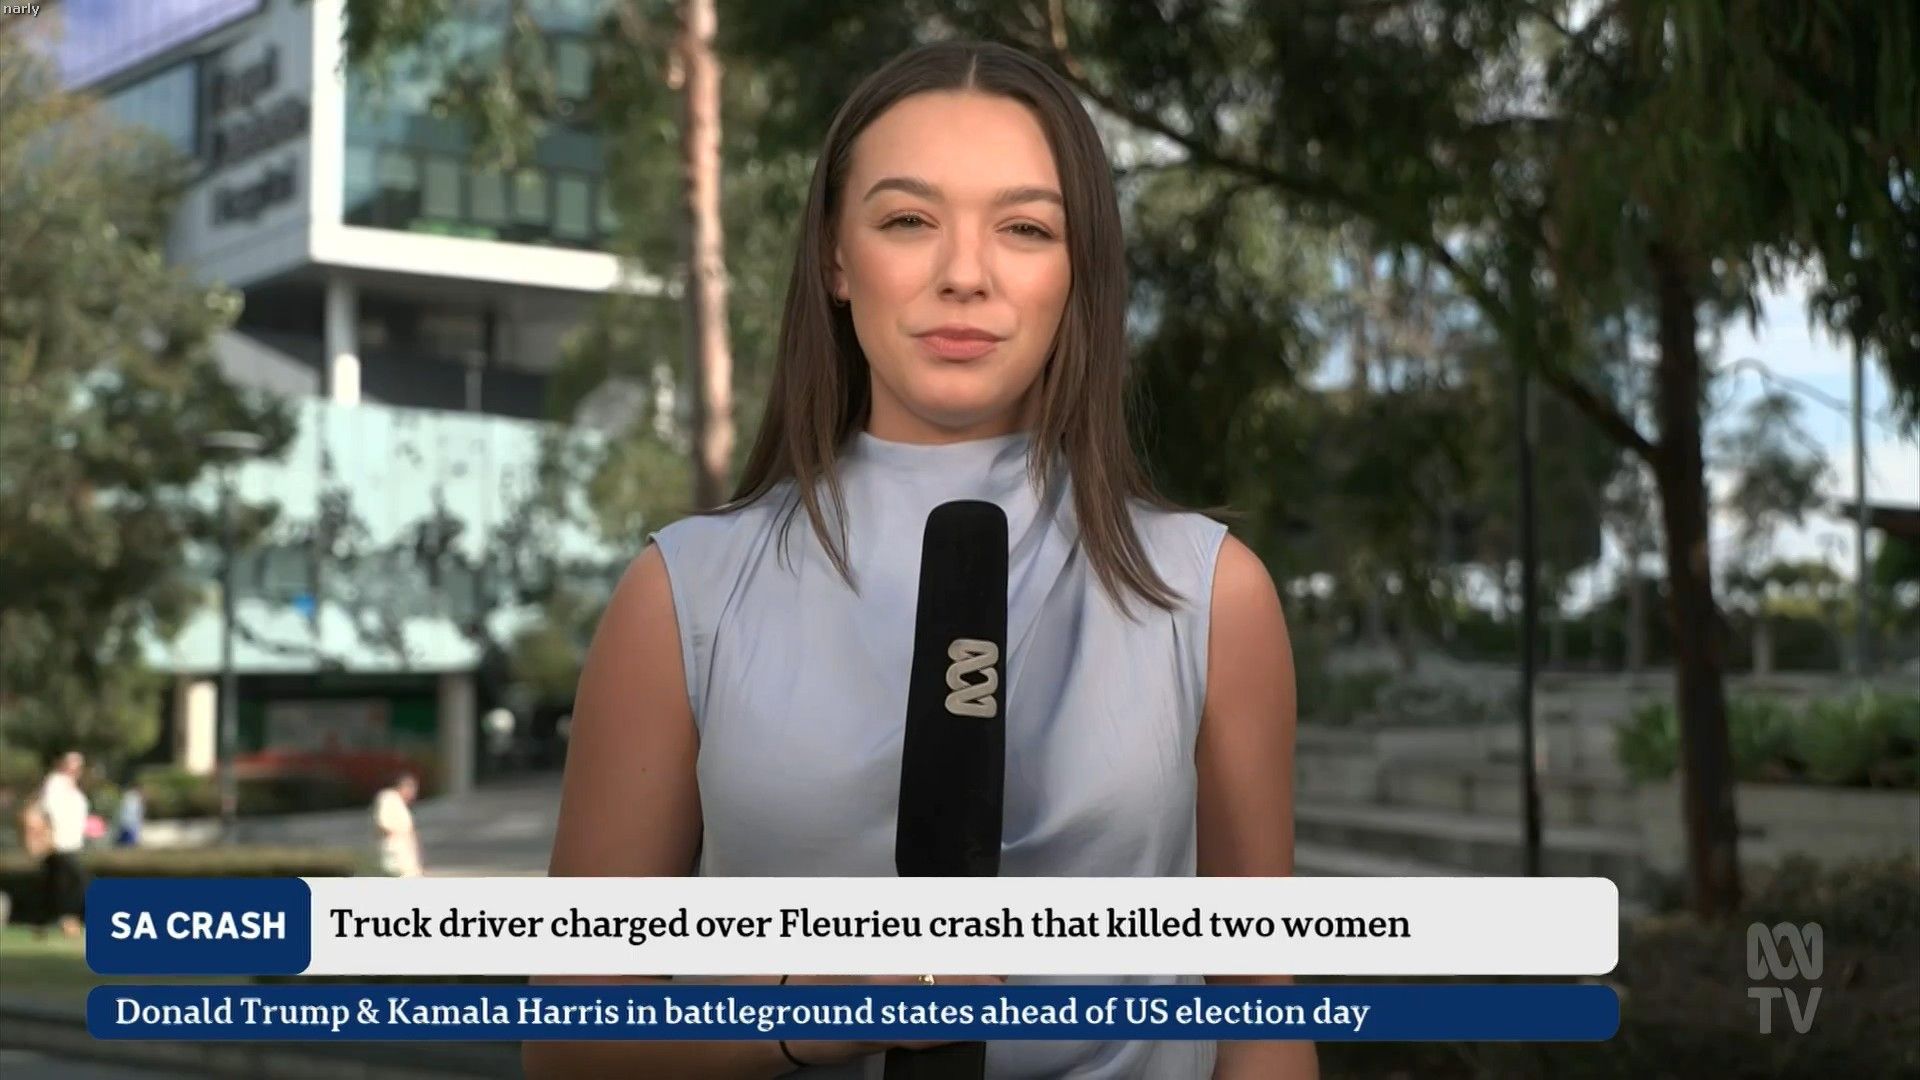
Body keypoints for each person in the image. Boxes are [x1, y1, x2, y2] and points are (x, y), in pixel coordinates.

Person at [528, 39, 1313, 1080]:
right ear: (835, 259)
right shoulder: (685, 596)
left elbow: (1263, 1016)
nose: (964, 276)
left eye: (1025, 228)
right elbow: (567, 1036)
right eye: (908, 221)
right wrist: (808, 1011)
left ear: (1079, 271)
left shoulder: (1208, 595)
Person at [35, 751, 90, 938]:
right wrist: (48, 837)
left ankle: (43, 923)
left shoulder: (74, 788)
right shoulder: (55, 783)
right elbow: (47, 811)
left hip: (72, 843)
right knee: (77, 882)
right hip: (58, 844)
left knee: (55, 885)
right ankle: (67, 920)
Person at [372, 772, 422, 878]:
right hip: (395, 849)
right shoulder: (388, 798)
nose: (413, 794)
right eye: (411, 789)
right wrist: (394, 837)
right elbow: (382, 822)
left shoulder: (402, 805)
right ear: (403, 787)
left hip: (405, 851)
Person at [115, 780, 146, 847]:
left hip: (129, 820)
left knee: (127, 836)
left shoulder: (130, 796)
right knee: (128, 836)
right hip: (130, 820)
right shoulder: (132, 796)